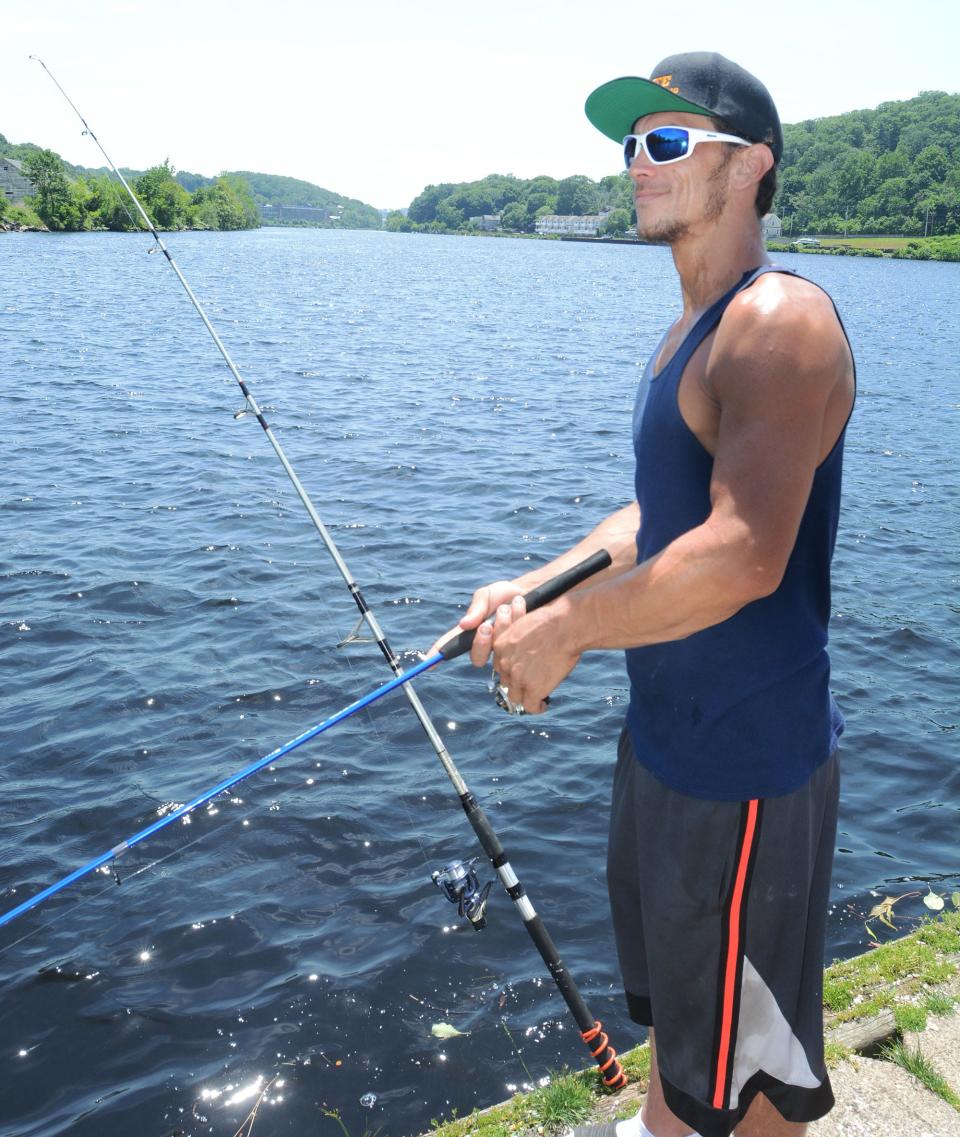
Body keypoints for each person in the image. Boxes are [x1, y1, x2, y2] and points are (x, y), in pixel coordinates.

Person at [433, 52, 856, 1137]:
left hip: (746, 774)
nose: (637, 164)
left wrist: (570, 633)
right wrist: (536, 590)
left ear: (751, 165)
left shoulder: (779, 323)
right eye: (631, 144)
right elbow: (653, 526)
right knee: (690, 1053)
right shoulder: (692, 331)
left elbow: (743, 553)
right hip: (668, 751)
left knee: (749, 1087)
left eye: (669, 142)